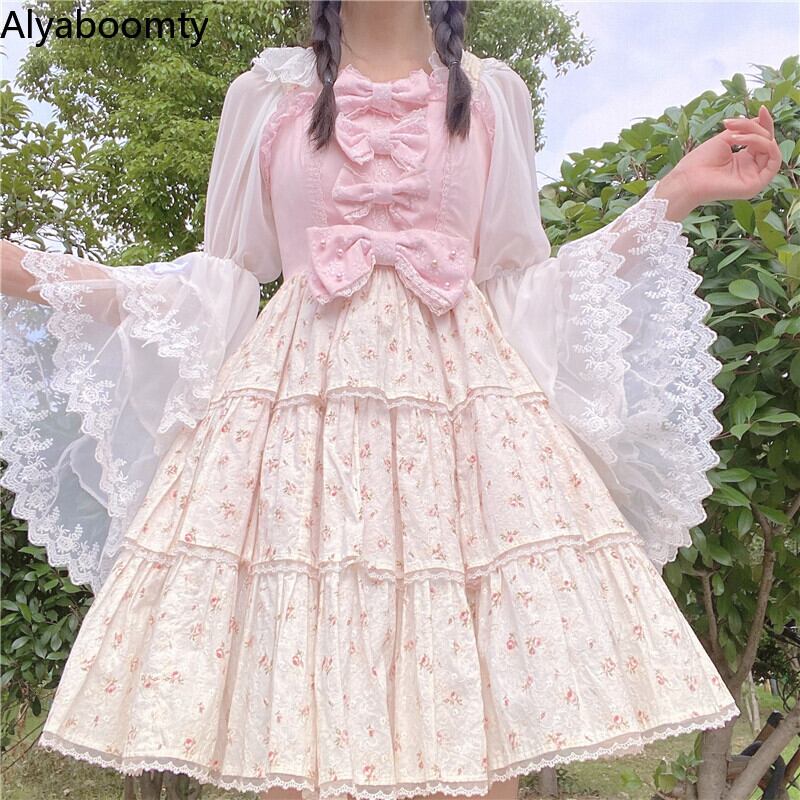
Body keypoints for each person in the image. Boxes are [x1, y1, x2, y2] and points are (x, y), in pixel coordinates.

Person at [0, 1, 782, 799]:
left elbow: (524, 293)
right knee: (295, 738)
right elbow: (211, 291)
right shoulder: (264, 95)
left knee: (475, 749)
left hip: (464, 447)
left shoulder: (493, 94)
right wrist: (24, 271)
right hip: (300, 448)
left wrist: (676, 191)